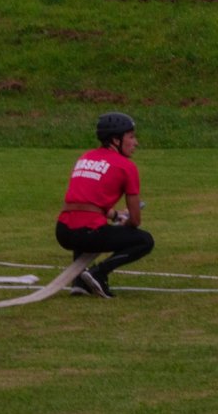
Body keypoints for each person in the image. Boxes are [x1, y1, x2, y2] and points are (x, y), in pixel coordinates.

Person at [56, 111, 154, 298]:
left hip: (62, 231)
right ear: (116, 140)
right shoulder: (126, 166)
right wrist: (126, 221)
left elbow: (85, 202)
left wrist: (116, 216)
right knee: (144, 240)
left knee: (86, 225)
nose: (136, 143)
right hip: (88, 233)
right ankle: (98, 274)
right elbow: (135, 221)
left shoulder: (85, 157)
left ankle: (79, 283)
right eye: (131, 137)